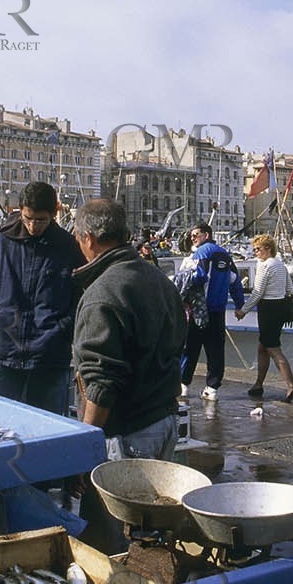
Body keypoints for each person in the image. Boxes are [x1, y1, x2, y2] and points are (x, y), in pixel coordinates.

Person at [71, 199, 186, 551]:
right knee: (152, 533)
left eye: (77, 237)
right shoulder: (156, 278)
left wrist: (84, 449)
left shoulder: (103, 294)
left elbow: (102, 384)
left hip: (128, 435)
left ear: (88, 238)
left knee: (117, 542)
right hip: (164, 421)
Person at [0, 181, 86, 414]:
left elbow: (83, 298)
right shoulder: (0, 242)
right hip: (4, 354)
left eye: (41, 220)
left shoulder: (69, 247)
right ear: (20, 211)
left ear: (54, 213)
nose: (33, 226)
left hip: (51, 358)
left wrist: (64, 327)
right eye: (27, 218)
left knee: (47, 434)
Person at [182, 223, 246, 401]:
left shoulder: (202, 252)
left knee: (190, 347)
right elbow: (235, 281)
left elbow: (200, 276)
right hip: (218, 310)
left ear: (206, 235)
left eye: (196, 235)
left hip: (199, 309)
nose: (193, 238)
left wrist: (183, 282)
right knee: (216, 350)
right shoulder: (225, 255)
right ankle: (212, 388)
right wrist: (240, 304)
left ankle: (183, 385)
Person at [234, 234, 293, 403]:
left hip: (268, 309)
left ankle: (291, 385)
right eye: (254, 249)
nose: (255, 252)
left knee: (272, 348)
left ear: (268, 249)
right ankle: (258, 384)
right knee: (263, 346)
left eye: (258, 249)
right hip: (280, 307)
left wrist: (243, 311)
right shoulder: (280, 265)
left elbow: (257, 292)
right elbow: (290, 288)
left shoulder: (265, 266)